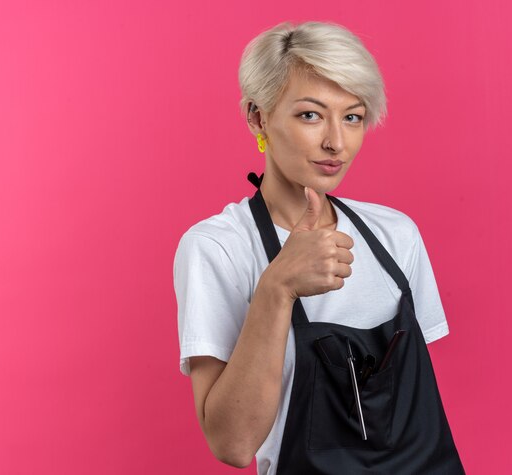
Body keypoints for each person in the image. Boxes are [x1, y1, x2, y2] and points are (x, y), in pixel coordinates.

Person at [173, 21, 465, 474]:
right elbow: (233, 445)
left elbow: (410, 414)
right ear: (258, 116)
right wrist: (277, 286)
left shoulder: (396, 235)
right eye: (310, 114)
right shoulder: (218, 248)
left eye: (352, 116)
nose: (336, 142)